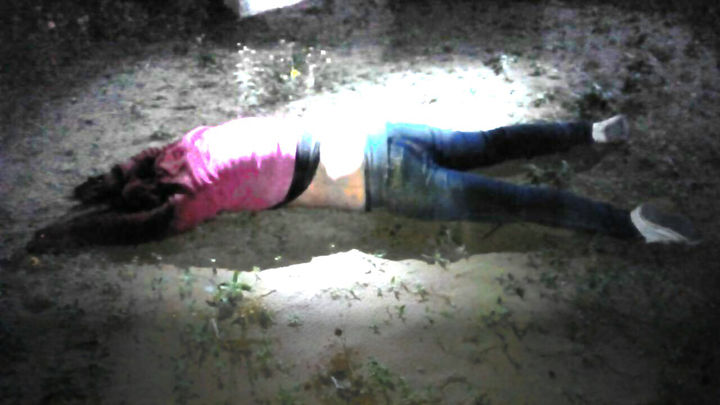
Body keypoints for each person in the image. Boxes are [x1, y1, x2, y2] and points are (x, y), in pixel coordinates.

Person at [26, 113, 700, 253]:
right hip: (381, 131)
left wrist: (65, 236)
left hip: (380, 178)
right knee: (490, 144)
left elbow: (143, 228)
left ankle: (630, 224)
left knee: (516, 201)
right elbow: (139, 162)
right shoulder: (190, 143)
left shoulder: (200, 195)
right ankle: (591, 131)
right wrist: (99, 184)